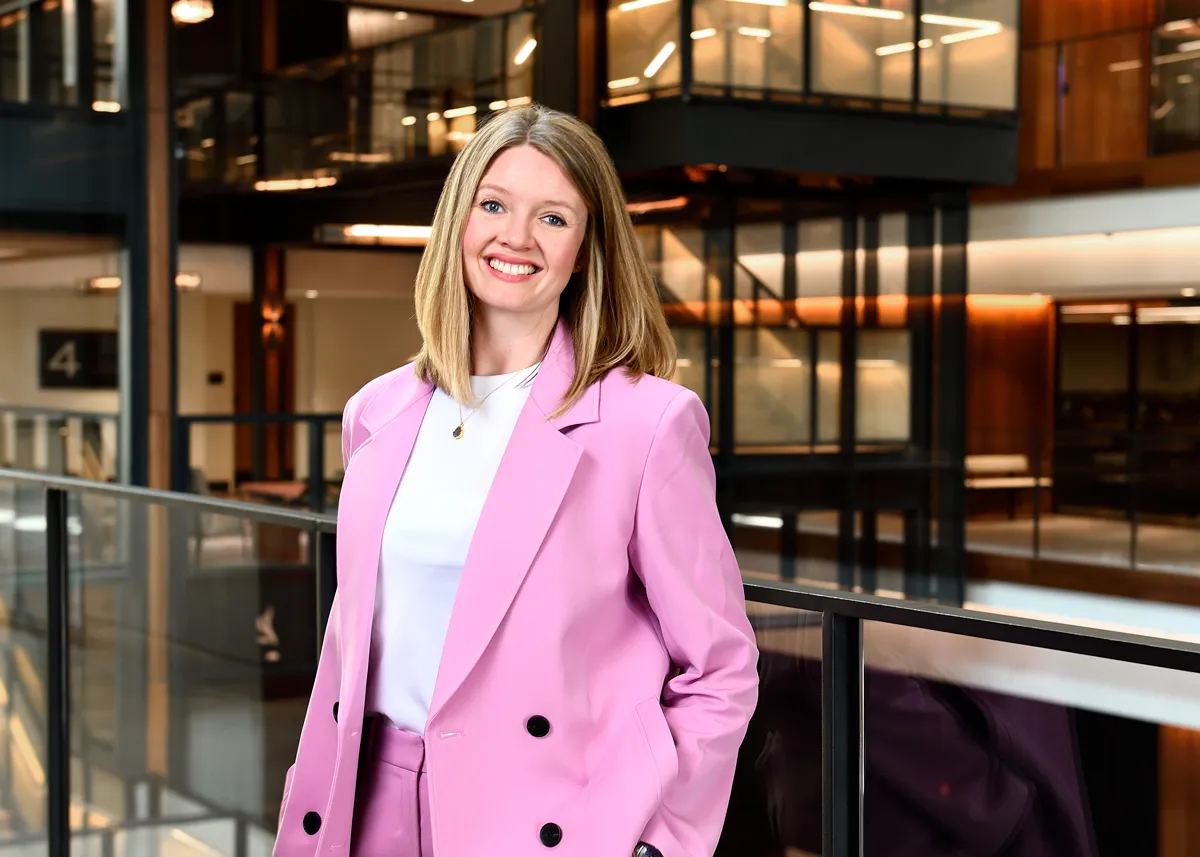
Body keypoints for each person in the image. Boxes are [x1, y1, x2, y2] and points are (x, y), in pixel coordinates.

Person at [272, 104, 760, 857]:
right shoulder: (378, 411)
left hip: (547, 820)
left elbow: (720, 667)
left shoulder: (647, 423)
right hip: (370, 797)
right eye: (493, 204)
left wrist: (658, 843)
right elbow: (353, 638)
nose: (516, 238)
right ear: (458, 220)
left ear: (586, 249)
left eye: (554, 217)